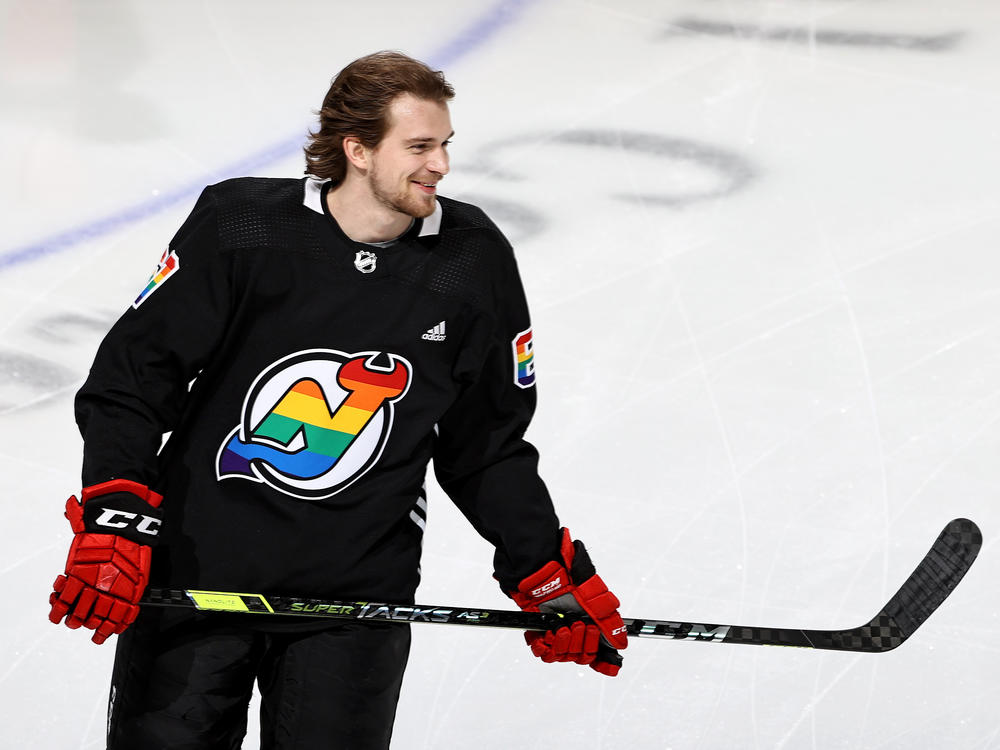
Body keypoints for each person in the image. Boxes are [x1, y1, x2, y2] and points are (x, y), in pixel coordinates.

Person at [48, 51, 628, 749]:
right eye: (420, 147)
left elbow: (486, 445)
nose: (440, 165)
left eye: (445, 145)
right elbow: (133, 381)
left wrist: (543, 570)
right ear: (356, 149)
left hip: (353, 602)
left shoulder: (471, 262)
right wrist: (116, 512)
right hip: (197, 585)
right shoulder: (241, 228)